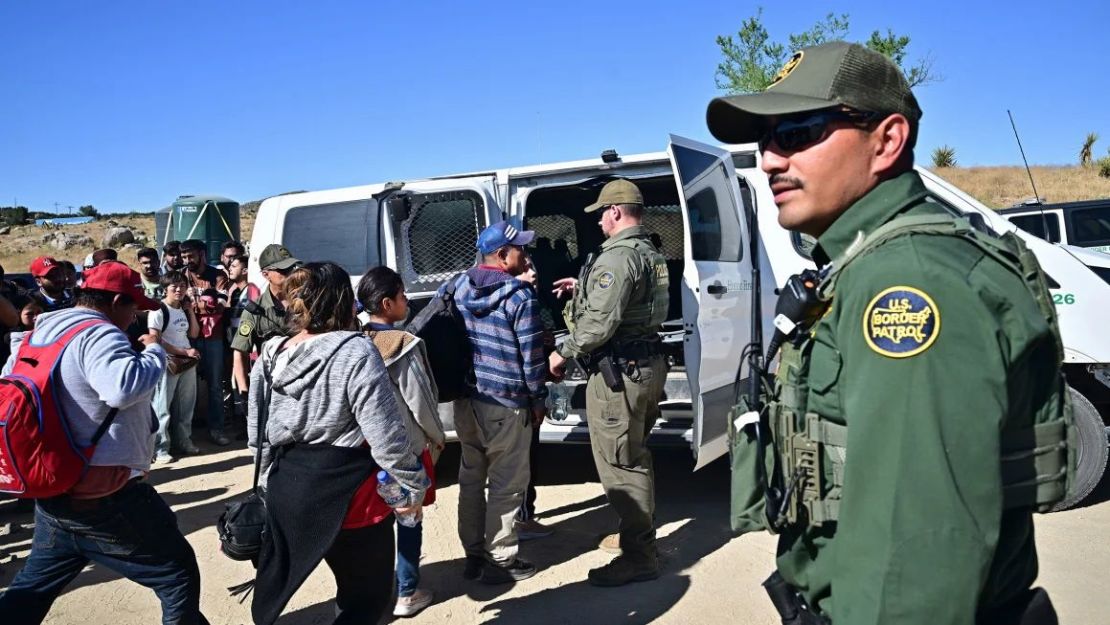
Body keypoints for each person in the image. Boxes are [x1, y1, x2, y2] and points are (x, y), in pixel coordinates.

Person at [705, 41, 1067, 624]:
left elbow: (915, 557)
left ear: (888, 140)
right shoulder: (861, 265)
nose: (769, 160)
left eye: (797, 132)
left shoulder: (906, 280)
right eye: (763, 140)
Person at [0, 260, 209, 625]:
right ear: (115, 301)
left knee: (31, 590)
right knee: (177, 574)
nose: (135, 318)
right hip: (105, 494)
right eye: (134, 308)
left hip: (56, 485)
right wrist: (154, 349)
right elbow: (122, 388)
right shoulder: (100, 332)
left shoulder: (42, 330)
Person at [247, 262, 427, 625]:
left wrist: (267, 486)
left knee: (309, 583)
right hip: (350, 498)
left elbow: (258, 434)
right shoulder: (355, 351)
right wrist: (413, 486)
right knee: (365, 598)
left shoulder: (270, 354)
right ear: (345, 299)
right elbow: (385, 436)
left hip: (290, 490)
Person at [547, 178, 670, 587]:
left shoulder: (617, 258)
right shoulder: (648, 251)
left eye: (602, 212)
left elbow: (599, 324)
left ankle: (639, 556)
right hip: (646, 365)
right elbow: (628, 300)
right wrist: (580, 287)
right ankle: (640, 536)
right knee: (635, 455)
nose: (599, 220)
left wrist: (561, 352)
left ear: (616, 211)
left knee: (621, 464)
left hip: (621, 374)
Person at [450, 219, 547, 584]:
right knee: (507, 483)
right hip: (506, 404)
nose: (526, 253)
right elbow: (531, 357)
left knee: (471, 478)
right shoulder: (520, 298)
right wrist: (537, 398)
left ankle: (473, 555)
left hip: (466, 401)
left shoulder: (458, 286)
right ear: (503, 256)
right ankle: (502, 558)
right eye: (520, 248)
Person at [358, 266, 445, 618]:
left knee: (376, 522)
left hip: (367, 448)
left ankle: (373, 590)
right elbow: (420, 401)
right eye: (402, 295)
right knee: (409, 517)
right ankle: (406, 590)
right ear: (386, 303)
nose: (406, 300)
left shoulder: (355, 341)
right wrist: (436, 439)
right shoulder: (402, 345)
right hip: (405, 447)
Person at [230, 244, 299, 416]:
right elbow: (240, 352)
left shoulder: (305, 302)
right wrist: (244, 393)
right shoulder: (254, 310)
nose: (289, 274)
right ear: (266, 274)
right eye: (283, 270)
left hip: (303, 382)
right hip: (272, 386)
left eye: (291, 268)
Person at [179, 238, 231, 445]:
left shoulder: (217, 276)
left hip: (213, 337)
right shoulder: (182, 276)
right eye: (184, 257)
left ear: (201, 254)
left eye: (190, 255)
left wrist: (197, 301)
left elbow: (220, 305)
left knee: (215, 386)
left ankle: (217, 429)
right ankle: (184, 433)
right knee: (186, 387)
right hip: (188, 336)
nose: (187, 260)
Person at [148, 270, 201, 463]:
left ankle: (184, 441)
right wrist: (183, 352)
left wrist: (190, 310)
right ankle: (160, 447)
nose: (179, 290)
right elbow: (156, 339)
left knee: (187, 404)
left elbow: (194, 333)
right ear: (165, 288)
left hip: (186, 362)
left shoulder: (182, 309)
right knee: (162, 405)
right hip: (169, 362)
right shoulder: (157, 310)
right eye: (174, 287)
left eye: (182, 286)